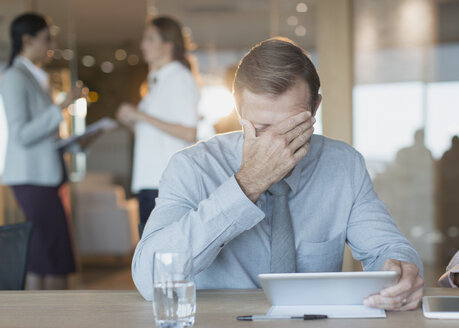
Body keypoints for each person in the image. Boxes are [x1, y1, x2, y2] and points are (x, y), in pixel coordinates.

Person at [131, 37, 424, 311]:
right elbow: (149, 277)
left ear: (315, 108)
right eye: (261, 129)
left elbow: (387, 248)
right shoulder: (192, 167)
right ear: (238, 108)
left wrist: (400, 270)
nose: (277, 144)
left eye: (292, 128)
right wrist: (246, 185)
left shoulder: (344, 165)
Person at [1, 13, 81, 289]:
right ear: (27, 39)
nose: (51, 46)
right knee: (51, 254)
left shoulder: (35, 77)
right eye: (46, 39)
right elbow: (22, 134)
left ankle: (41, 316)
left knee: (45, 253)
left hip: (42, 176)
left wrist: (77, 141)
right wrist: (61, 106)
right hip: (30, 177)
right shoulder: (14, 77)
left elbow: (43, 132)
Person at [117, 16, 200, 229]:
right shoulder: (157, 81)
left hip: (164, 182)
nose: (143, 45)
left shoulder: (180, 78)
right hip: (149, 179)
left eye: (150, 39)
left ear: (168, 44)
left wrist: (140, 116)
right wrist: (133, 121)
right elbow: (154, 133)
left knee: (162, 253)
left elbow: (189, 132)